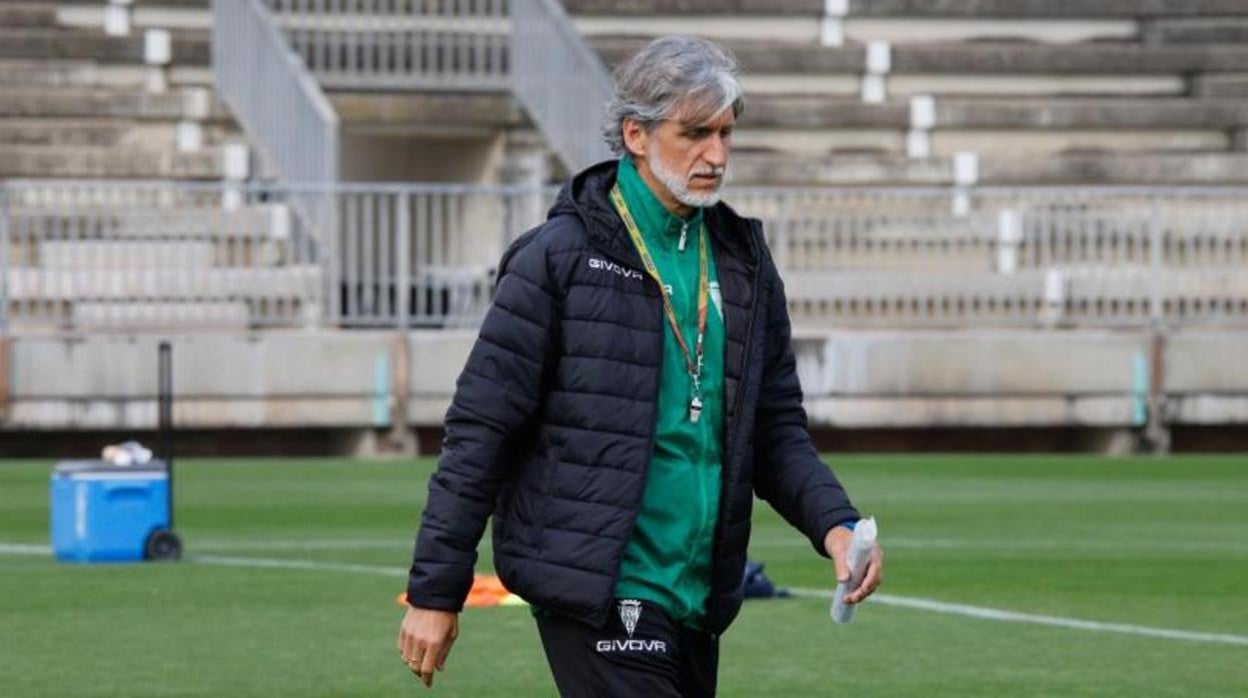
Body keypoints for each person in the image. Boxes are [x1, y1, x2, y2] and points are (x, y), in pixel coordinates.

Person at [397, 34, 883, 696]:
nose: (716, 155)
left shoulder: (743, 262)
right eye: (695, 134)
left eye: (725, 133)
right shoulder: (556, 259)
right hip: (599, 585)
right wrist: (436, 590)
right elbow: (481, 431)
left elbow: (774, 429)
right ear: (636, 134)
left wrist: (836, 526)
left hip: (696, 594)